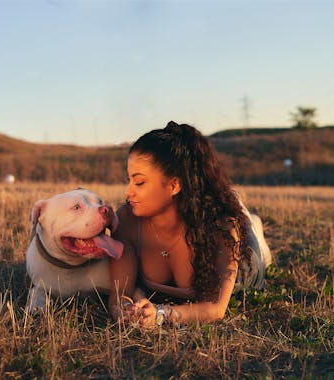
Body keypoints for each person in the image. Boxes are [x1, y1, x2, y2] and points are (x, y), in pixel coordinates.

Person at [109, 121, 271, 326]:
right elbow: (119, 295)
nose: (128, 192)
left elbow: (216, 308)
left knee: (250, 237)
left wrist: (160, 315)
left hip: (244, 272)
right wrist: (127, 312)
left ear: (174, 185)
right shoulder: (127, 220)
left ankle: (251, 225)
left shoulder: (220, 227)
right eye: (129, 180)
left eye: (139, 182)